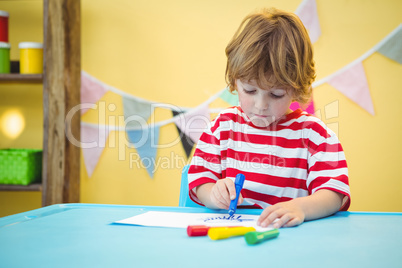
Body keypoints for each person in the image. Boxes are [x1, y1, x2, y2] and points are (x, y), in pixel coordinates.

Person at [187, 8, 350, 229]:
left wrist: (301, 207)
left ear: (297, 88)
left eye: (276, 94)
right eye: (250, 90)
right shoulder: (222, 127)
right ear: (235, 82)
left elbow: (334, 193)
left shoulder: (315, 135)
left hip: (293, 244)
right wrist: (213, 194)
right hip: (232, 241)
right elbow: (200, 181)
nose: (260, 106)